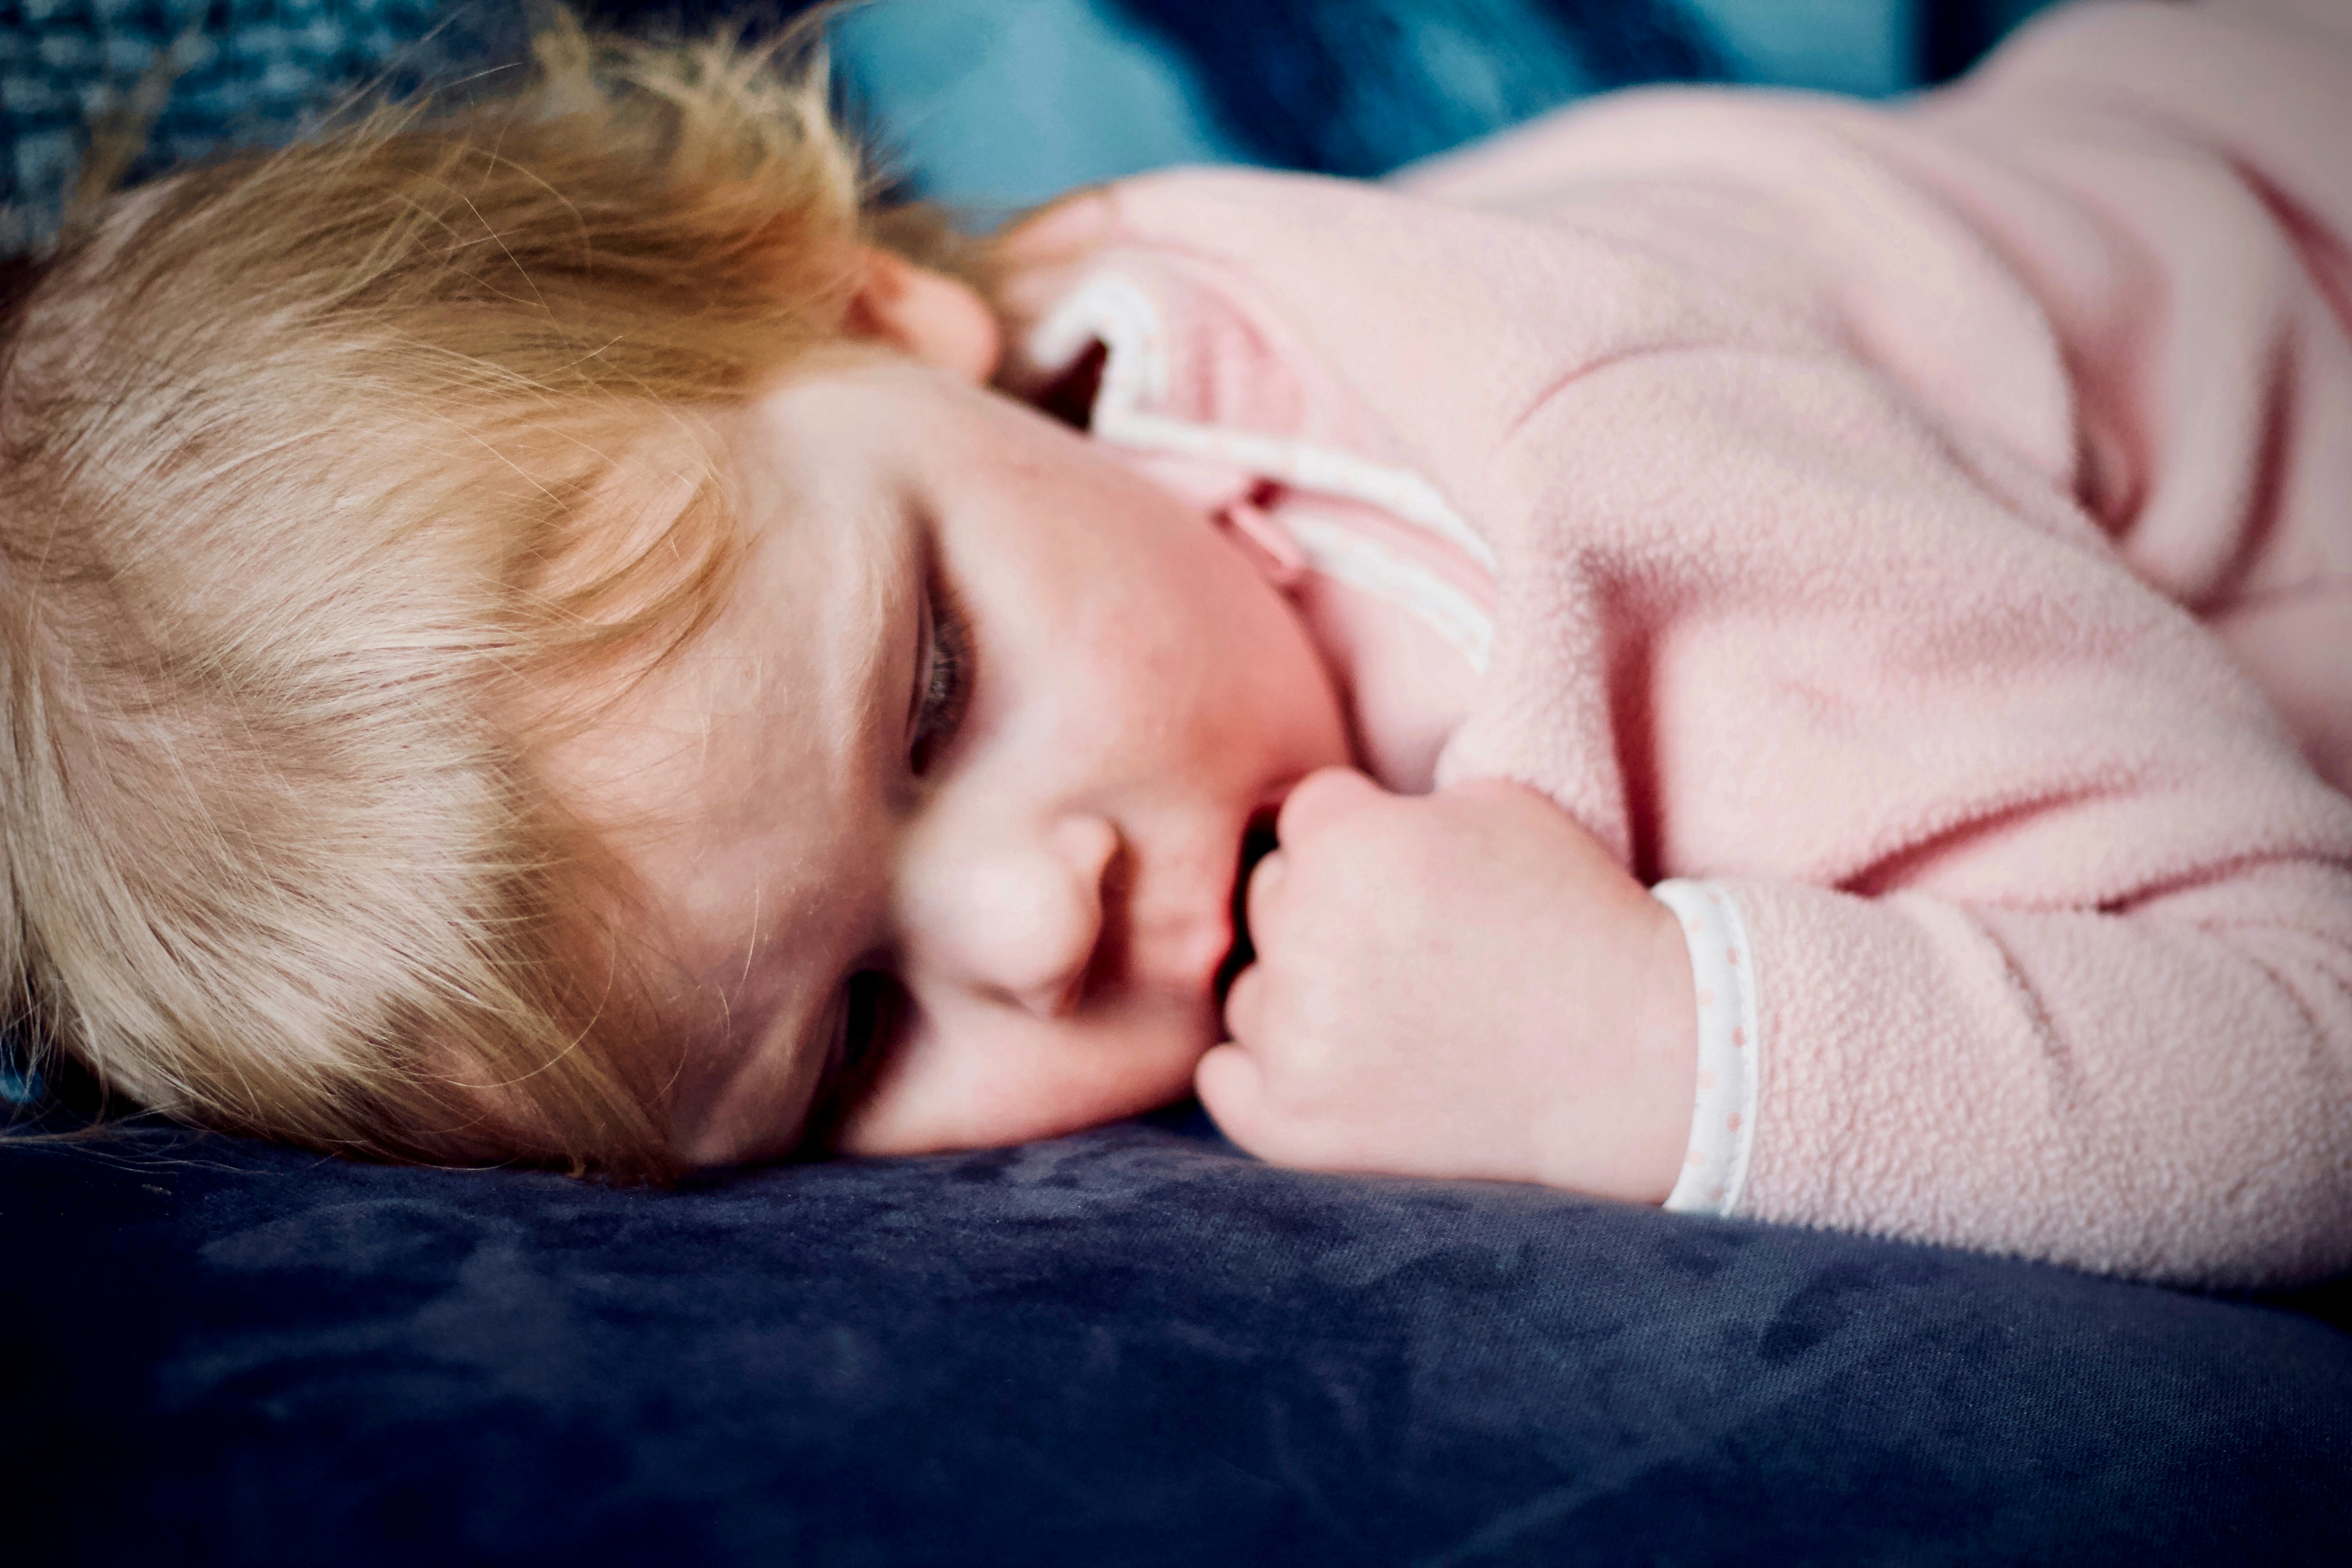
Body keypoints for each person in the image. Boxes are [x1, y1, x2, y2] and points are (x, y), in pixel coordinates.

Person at [3, 0, 2347, 1285]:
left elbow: (2311, 1062)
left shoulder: (1587, 508)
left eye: (930, 695)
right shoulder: (996, 445)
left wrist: (1651, 1049)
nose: (1038, 917)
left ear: (885, 312)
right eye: (846, 1035)